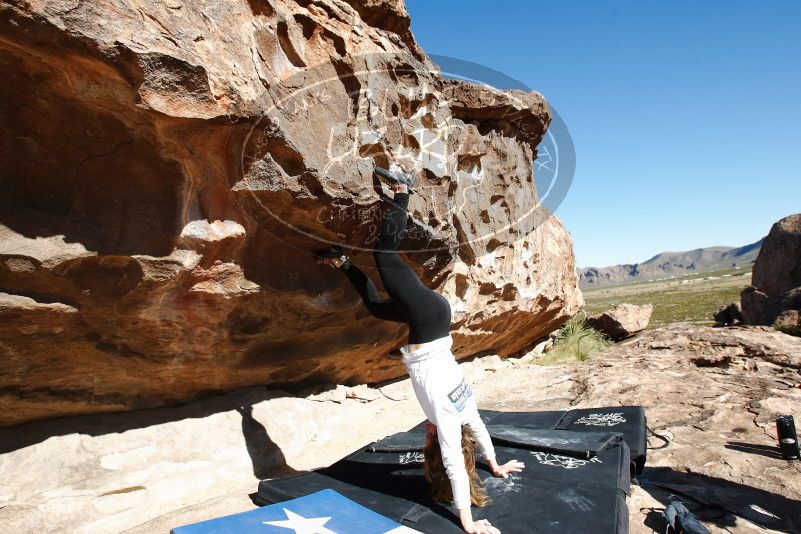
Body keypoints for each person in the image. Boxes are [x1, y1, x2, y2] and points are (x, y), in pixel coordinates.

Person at [316, 165, 524, 534]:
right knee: (385, 255)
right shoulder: (445, 416)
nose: (425, 433)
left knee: (377, 306)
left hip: (431, 322)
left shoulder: (464, 408)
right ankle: (402, 191)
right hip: (427, 321)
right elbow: (455, 462)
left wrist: (494, 463)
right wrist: (468, 522)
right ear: (432, 439)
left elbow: (478, 430)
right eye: (428, 439)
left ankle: (341, 260)